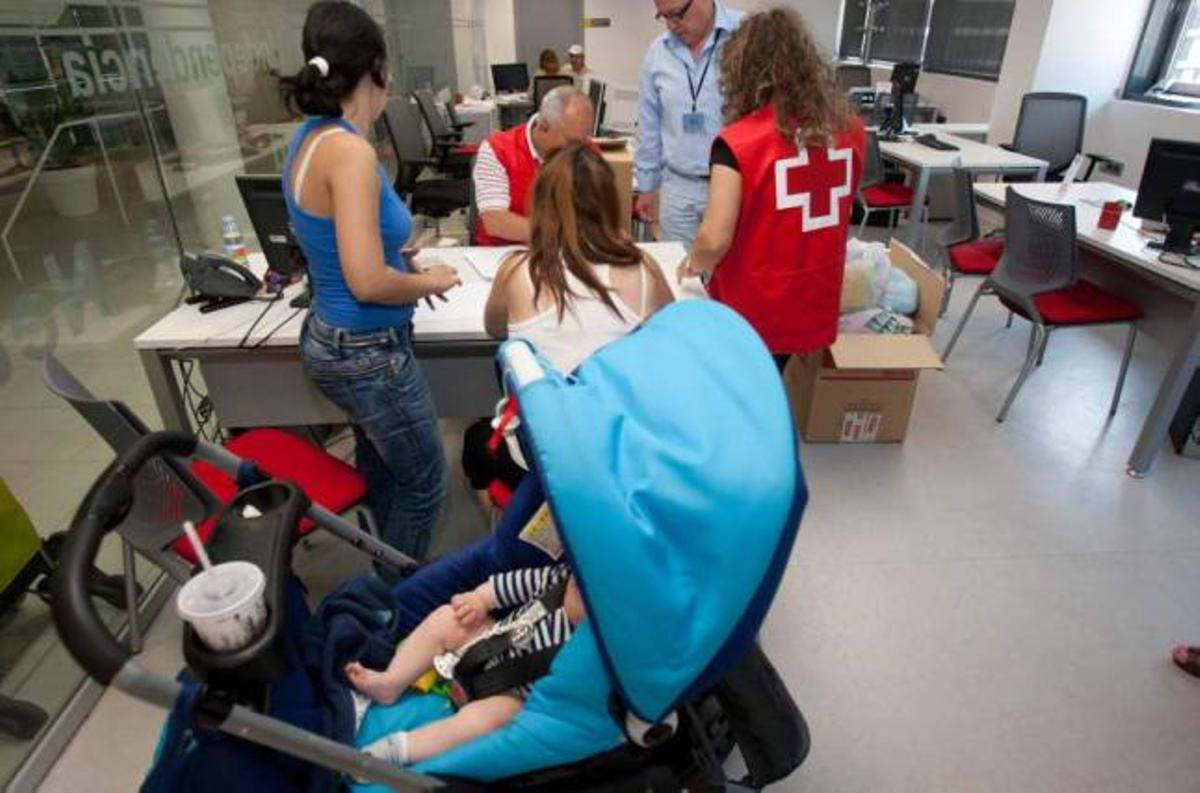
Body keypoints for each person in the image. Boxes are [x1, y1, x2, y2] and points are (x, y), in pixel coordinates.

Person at [280, 1, 457, 565]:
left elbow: (329, 243)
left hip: (332, 336)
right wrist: (428, 281)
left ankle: (383, 573)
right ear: (377, 67)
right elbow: (366, 282)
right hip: (365, 347)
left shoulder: (308, 137)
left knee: (382, 464)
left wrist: (396, 257)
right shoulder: (351, 153)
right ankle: (392, 608)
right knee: (426, 480)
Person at [462, 142, 675, 511]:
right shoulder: (642, 270)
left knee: (473, 443)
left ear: (542, 204)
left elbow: (494, 328)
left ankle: (512, 533)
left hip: (540, 459)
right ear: (610, 202)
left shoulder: (516, 270)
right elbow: (671, 335)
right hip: (618, 455)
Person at [679, 7, 866, 372]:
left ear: (744, 70)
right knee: (772, 376)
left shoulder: (739, 142)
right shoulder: (851, 129)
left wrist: (692, 264)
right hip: (814, 293)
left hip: (756, 303)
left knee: (741, 386)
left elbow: (714, 240)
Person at [347, 563, 585, 765]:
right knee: (447, 618)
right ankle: (390, 683)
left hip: (515, 696)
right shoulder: (559, 577)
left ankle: (401, 748)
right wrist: (478, 600)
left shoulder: (595, 649)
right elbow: (504, 587)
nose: (580, 583)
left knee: (494, 720)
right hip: (488, 643)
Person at [634, 0, 744, 247]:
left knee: (728, 278)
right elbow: (649, 124)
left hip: (734, 185)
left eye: (677, 14)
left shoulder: (746, 34)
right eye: (663, 17)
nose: (672, 25)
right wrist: (646, 185)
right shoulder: (657, 52)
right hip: (677, 186)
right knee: (682, 277)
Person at [472, 86, 595, 246]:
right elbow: (495, 221)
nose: (578, 149)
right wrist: (564, 234)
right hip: (502, 253)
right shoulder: (498, 150)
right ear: (543, 127)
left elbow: (594, 214)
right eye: (570, 142)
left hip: (563, 252)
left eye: (583, 139)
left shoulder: (585, 149)